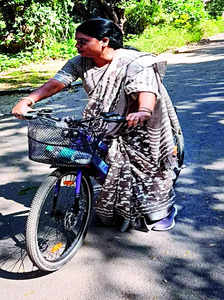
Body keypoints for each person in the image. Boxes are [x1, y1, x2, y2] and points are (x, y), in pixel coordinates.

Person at [12, 17, 182, 232]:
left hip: (139, 121)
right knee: (96, 156)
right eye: (77, 41)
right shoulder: (80, 62)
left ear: (104, 41)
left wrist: (143, 111)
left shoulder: (133, 61)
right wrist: (27, 101)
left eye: (82, 41)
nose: (77, 46)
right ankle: (115, 200)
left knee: (147, 170)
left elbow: (145, 89)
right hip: (107, 120)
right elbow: (57, 83)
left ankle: (162, 211)